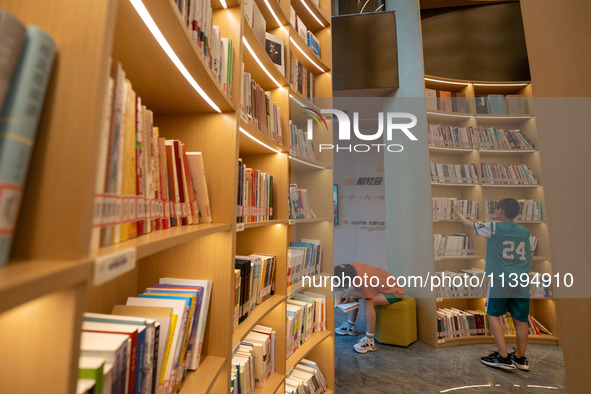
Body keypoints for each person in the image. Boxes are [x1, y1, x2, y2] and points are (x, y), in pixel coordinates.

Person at [454, 198, 531, 371]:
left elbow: (469, 225)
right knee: (521, 319)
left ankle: (503, 357)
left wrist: (458, 212)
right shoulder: (525, 231)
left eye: (497, 209)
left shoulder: (494, 227)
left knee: (493, 314)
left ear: (501, 211)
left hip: (500, 279)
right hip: (521, 280)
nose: (496, 212)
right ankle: (520, 358)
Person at [334, 262, 405, 354]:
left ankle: (369, 341)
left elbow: (369, 296)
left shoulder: (364, 280)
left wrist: (350, 292)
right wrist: (349, 292)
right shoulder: (353, 266)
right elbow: (356, 285)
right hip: (381, 287)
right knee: (353, 293)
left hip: (393, 292)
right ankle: (350, 326)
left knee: (369, 302)